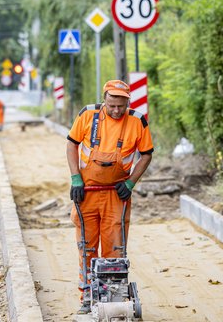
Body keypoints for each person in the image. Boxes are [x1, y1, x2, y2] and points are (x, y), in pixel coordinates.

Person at [66, 79, 154, 314]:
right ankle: (86, 296)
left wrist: (131, 182)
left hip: (117, 195)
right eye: (112, 105)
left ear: (128, 102)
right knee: (87, 247)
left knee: (115, 249)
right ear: (104, 99)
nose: (116, 110)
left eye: (121, 106)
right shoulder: (87, 115)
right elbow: (71, 145)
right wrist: (76, 178)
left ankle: (113, 299)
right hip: (87, 193)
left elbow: (146, 154)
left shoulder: (137, 121)